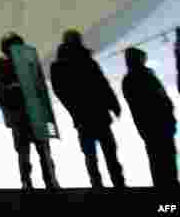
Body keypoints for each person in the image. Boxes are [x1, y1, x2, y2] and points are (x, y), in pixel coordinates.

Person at [49, 29, 124, 188]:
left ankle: (97, 185)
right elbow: (103, 85)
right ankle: (119, 184)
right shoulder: (87, 61)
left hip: (82, 117)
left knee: (91, 155)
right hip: (99, 114)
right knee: (110, 153)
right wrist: (113, 105)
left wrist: (74, 109)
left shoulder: (58, 66)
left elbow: (60, 92)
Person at [0, 32, 59, 190]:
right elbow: (0, 92)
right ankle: (38, 182)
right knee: (31, 153)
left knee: (35, 153)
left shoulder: (3, 65)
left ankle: (40, 182)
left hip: (26, 117)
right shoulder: (2, 65)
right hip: (23, 116)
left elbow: (40, 86)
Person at [122, 47, 178, 188]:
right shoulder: (146, 75)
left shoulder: (127, 80)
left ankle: (161, 185)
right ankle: (171, 185)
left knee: (155, 156)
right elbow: (160, 98)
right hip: (161, 122)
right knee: (167, 154)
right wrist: (169, 114)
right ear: (139, 59)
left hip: (145, 125)